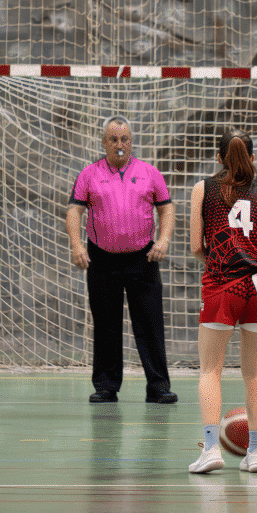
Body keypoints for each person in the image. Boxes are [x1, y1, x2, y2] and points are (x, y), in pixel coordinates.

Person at [65, 116, 176, 404]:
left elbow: (167, 209)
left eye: (124, 139)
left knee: (150, 324)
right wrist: (77, 246)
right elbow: (74, 211)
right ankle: (106, 386)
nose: (119, 144)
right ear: (104, 142)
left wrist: (162, 241)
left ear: (131, 141)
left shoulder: (150, 173)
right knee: (106, 324)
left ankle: (158, 386)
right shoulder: (89, 174)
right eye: (113, 139)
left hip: (143, 259)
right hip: (102, 260)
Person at [187, 128, 257, 475]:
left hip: (224, 282)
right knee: (254, 372)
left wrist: (217, 260)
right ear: (252, 158)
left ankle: (211, 449)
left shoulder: (204, 189)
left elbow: (197, 246)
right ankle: (256, 453)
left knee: (211, 370)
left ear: (220, 158)